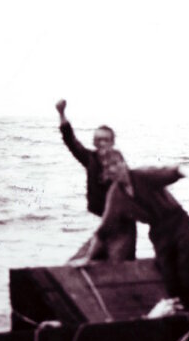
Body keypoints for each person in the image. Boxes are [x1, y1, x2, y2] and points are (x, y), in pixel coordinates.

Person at [75, 148, 189, 311]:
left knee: (186, 269)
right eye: (106, 168)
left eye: (114, 165)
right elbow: (103, 230)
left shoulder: (143, 176)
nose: (111, 170)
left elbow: (174, 170)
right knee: (168, 275)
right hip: (158, 232)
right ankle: (180, 310)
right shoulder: (116, 195)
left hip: (180, 223)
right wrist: (88, 258)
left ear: (123, 163)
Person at [56, 99, 136, 261]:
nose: (102, 143)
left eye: (105, 139)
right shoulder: (90, 159)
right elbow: (71, 141)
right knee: (84, 260)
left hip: (123, 222)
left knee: (118, 262)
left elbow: (129, 186)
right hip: (106, 221)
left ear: (112, 142)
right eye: (98, 140)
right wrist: (62, 114)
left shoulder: (117, 160)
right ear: (94, 142)